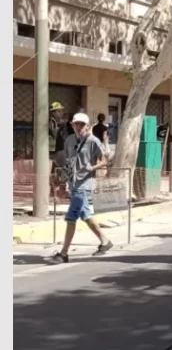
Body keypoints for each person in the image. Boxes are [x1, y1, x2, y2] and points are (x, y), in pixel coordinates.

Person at [47, 113, 113, 264]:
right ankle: (105, 241)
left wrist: (92, 167)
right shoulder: (69, 140)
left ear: (87, 126)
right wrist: (64, 174)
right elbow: (68, 160)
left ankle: (64, 253)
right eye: (76, 124)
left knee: (71, 217)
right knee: (85, 215)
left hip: (85, 183)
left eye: (82, 124)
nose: (78, 127)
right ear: (72, 125)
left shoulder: (93, 141)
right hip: (73, 182)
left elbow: (104, 160)